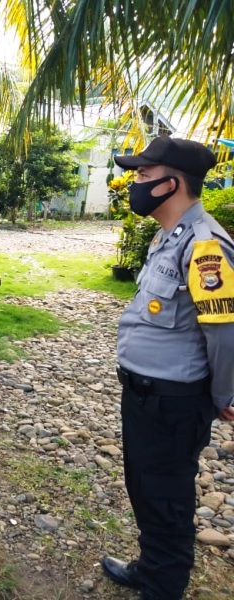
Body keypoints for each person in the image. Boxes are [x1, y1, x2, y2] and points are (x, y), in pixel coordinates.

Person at [103, 136, 234, 600]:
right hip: (145, 395)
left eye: (142, 175)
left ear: (172, 182)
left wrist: (223, 397)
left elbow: (222, 334)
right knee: (144, 487)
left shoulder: (206, 247)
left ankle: (162, 587)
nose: (133, 183)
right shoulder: (170, 234)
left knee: (165, 497)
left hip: (173, 402)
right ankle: (151, 566)